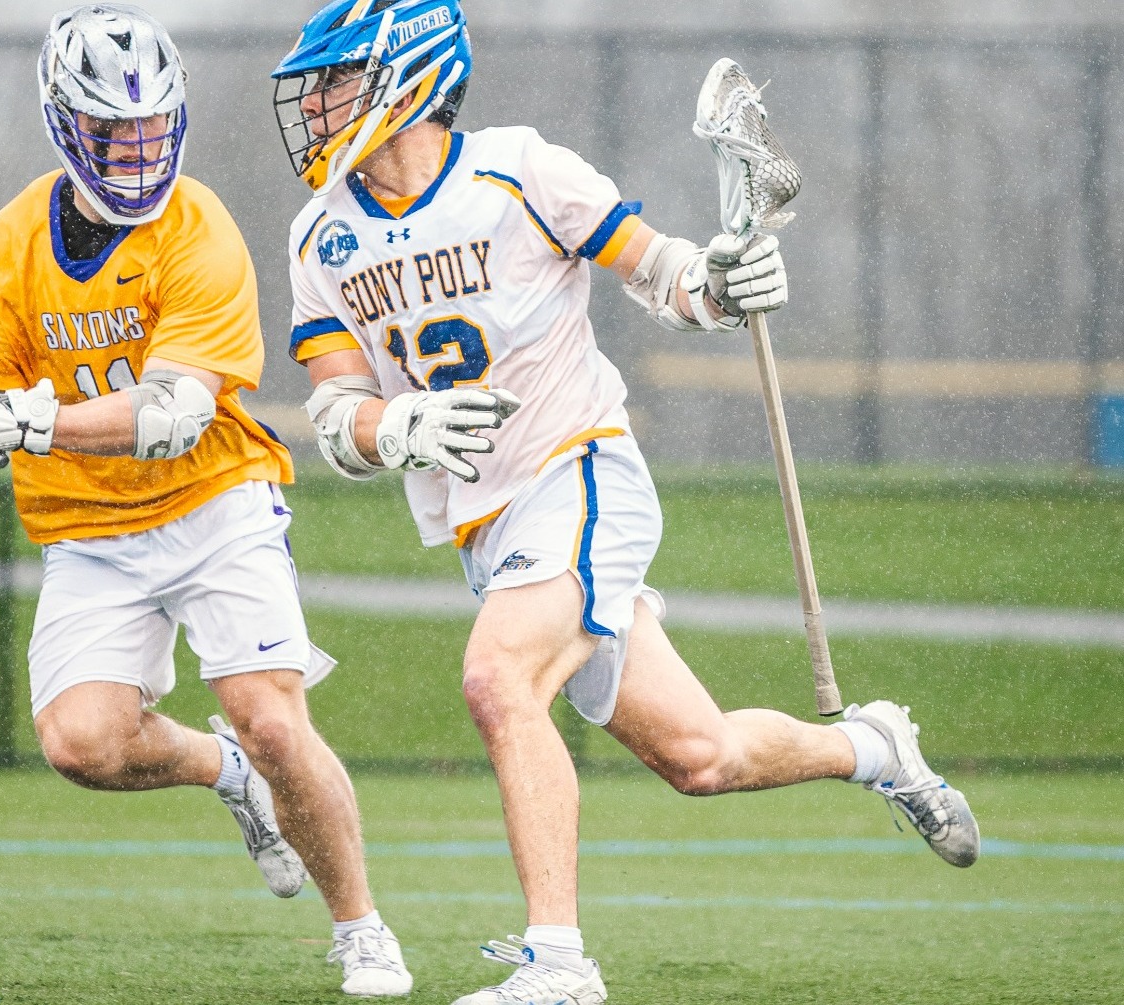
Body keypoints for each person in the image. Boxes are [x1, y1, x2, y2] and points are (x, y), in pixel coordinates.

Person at [270, 2, 981, 1003]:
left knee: (497, 679)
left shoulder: (520, 171)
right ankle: (873, 747)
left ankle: (558, 967)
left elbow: (665, 275)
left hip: (579, 471)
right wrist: (398, 431)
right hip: (486, 526)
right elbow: (338, 408)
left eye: (336, 78)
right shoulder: (319, 237)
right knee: (700, 755)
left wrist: (723, 279)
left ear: (411, 80)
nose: (314, 101)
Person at [0, 5, 412, 996]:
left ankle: (359, 926)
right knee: (82, 745)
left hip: (214, 500)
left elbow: (171, 414)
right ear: (65, 124)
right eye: (111, 131)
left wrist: (19, 422)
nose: (135, 151)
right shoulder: (11, 241)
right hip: (91, 529)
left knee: (272, 720)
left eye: (149, 128)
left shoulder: (200, 228)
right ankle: (227, 778)